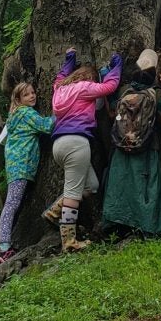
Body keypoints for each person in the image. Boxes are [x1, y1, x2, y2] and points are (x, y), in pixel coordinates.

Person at [48, 47, 123, 253]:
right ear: (89, 78)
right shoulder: (85, 87)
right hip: (76, 142)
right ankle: (69, 242)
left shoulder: (59, 90)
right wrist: (117, 65)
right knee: (73, 193)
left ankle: (55, 211)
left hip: (58, 145)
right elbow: (110, 86)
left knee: (91, 185)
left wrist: (70, 59)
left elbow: (60, 76)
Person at [102, 48, 161, 236]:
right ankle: (146, 224)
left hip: (121, 146)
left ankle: (116, 222)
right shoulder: (156, 93)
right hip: (147, 146)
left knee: (120, 185)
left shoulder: (124, 91)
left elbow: (111, 114)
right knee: (146, 187)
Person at [0, 81, 54, 260]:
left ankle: (4, 244)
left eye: (33, 92)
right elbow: (47, 125)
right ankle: (3, 246)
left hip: (14, 166)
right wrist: (65, 111)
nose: (32, 96)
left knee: (13, 203)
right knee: (11, 204)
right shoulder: (26, 113)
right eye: (26, 95)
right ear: (18, 99)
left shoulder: (13, 116)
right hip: (21, 165)